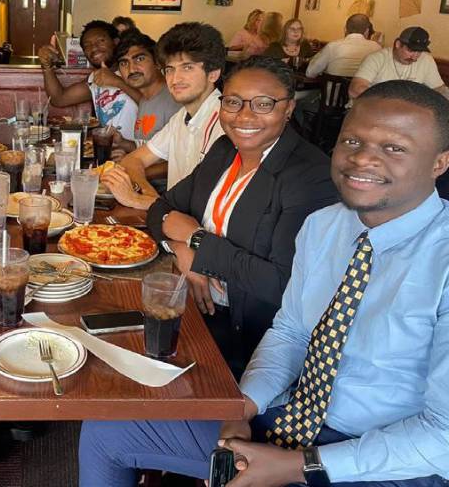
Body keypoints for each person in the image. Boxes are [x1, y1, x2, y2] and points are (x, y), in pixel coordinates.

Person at [79, 79, 449, 487]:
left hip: (387, 463)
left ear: (439, 163)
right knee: (107, 428)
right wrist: (243, 409)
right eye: (352, 142)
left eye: (394, 148)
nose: (363, 161)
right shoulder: (324, 226)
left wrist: (301, 466)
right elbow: (290, 332)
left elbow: (443, 437)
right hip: (287, 418)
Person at [147, 56, 337, 376]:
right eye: (233, 102)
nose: (244, 115)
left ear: (288, 108)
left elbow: (280, 284)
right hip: (196, 306)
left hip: (247, 343)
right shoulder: (225, 150)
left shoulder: (309, 176)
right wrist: (182, 252)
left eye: (263, 104)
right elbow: (160, 209)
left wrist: (197, 242)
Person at [103, 22, 226, 211]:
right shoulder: (181, 118)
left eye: (187, 68)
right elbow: (132, 160)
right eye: (170, 69)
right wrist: (151, 197)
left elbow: (205, 209)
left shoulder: (226, 123)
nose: (175, 79)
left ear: (213, 73)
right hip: (169, 217)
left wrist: (137, 199)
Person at [38, 20, 139, 140]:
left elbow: (155, 104)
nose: (94, 48)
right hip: (111, 150)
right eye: (87, 45)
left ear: (115, 42)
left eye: (101, 41)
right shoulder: (94, 78)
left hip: (142, 152)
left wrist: (117, 81)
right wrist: (46, 66)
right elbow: (58, 98)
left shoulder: (133, 70)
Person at [107, 30, 181, 165]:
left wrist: (130, 167)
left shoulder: (174, 100)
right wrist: (124, 144)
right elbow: (154, 148)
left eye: (139, 59)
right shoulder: (144, 100)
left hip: (162, 186)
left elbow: (180, 164)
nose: (132, 69)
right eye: (124, 63)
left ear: (158, 62)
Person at [349, 26, 448, 99]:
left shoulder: (426, 60)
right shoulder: (376, 59)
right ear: (398, 44)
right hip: (372, 110)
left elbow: (439, 88)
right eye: (410, 50)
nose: (414, 57)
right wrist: (390, 100)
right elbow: (355, 90)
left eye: (419, 52)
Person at [305, 13, 381, 78]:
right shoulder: (376, 48)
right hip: (363, 94)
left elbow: (310, 72)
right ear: (367, 31)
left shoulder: (333, 47)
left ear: (345, 29)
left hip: (334, 95)